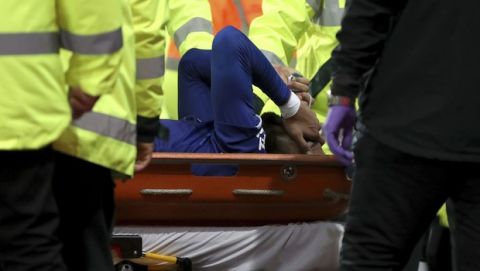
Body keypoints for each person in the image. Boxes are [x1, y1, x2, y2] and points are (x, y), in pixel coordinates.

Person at [323, 0, 480, 270]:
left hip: (406, 116)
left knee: (371, 257)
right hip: (415, 118)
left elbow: (371, 8)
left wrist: (344, 91)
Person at [0, 0, 124, 270]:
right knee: (27, 246)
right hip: (18, 106)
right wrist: (88, 85)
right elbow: (97, 17)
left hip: (19, 109)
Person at [51, 0, 166, 270]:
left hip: (26, 115)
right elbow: (147, 35)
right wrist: (146, 122)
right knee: (86, 250)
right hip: (95, 124)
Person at [154, 26, 322, 176]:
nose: (315, 133)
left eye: (311, 139)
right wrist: (263, 74)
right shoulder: (219, 141)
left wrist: (290, 105)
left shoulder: (244, 145)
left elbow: (229, 40)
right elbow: (191, 66)